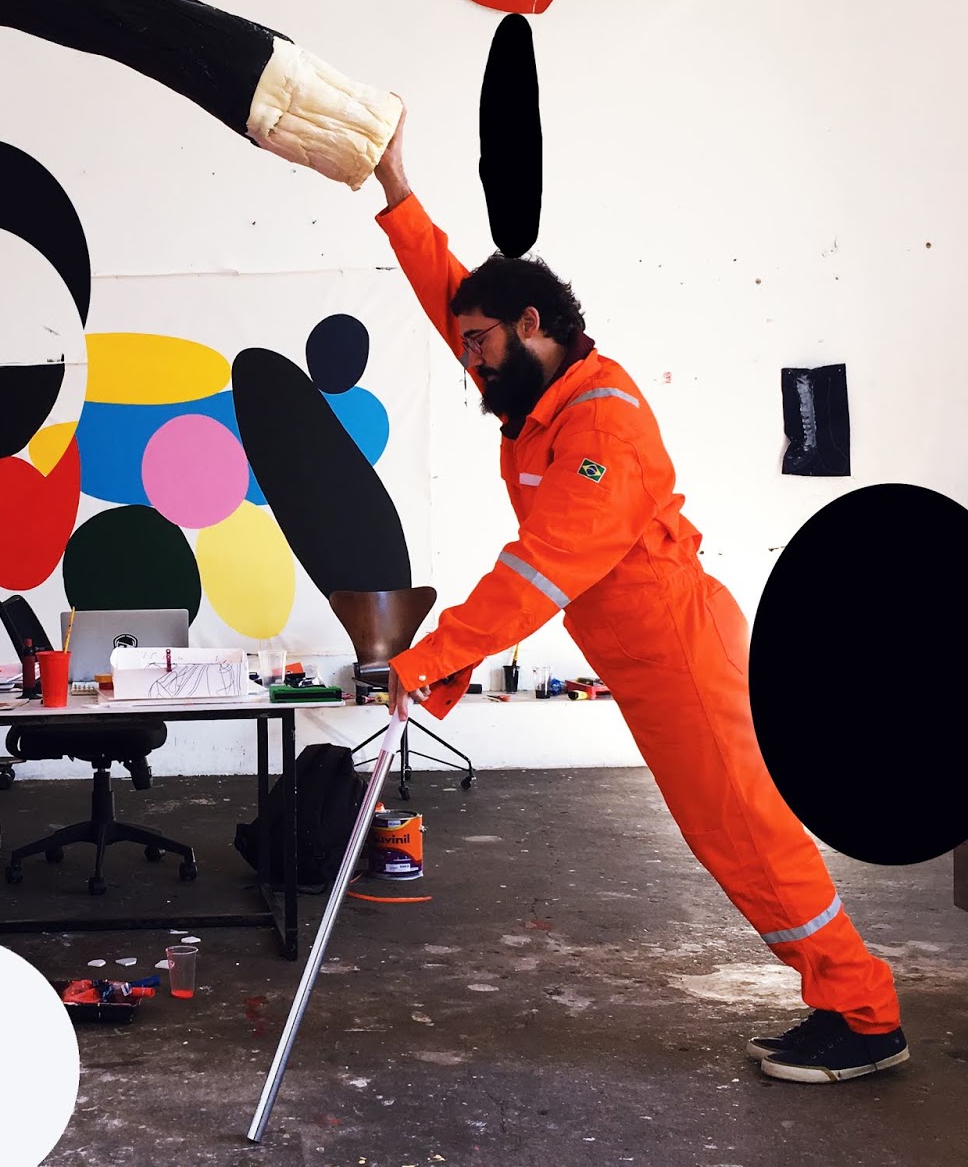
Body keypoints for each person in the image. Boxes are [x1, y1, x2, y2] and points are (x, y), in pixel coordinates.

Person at [371, 106, 905, 1084]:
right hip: (640, 651)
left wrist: (431, 657)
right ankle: (844, 998)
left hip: (680, 651)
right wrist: (392, 183)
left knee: (746, 834)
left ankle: (865, 1013)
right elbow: (448, 291)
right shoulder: (529, 384)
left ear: (530, 327)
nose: (468, 360)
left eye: (479, 343)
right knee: (724, 836)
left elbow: (537, 572)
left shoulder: (600, 428)